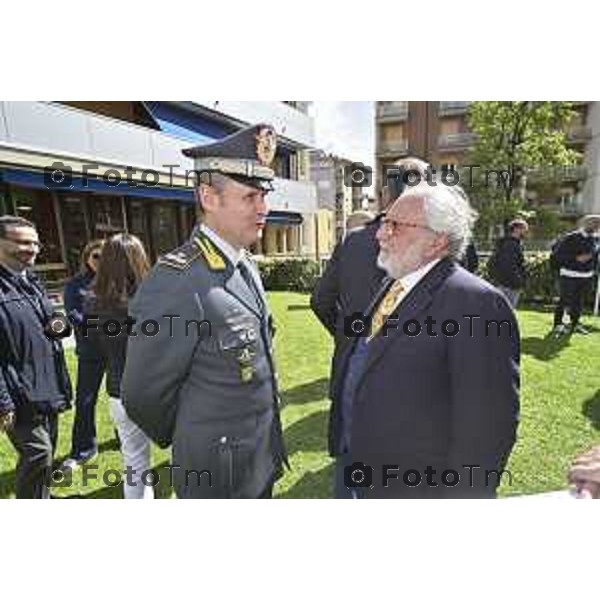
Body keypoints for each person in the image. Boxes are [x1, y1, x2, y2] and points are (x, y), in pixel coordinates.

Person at [122, 123, 287, 499]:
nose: (264, 208)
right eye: (250, 197)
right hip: (217, 474)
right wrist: (194, 433)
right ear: (209, 197)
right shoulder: (177, 279)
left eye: (264, 195)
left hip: (259, 457)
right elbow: (142, 393)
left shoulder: (245, 263)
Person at [330, 181, 520, 498]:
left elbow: (487, 430)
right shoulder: (394, 281)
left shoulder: (477, 304)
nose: (379, 233)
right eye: (383, 222)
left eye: (395, 225)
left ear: (437, 241)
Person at [310, 156, 429, 498]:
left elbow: (320, 300)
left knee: (351, 469)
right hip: (409, 389)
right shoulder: (439, 244)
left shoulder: (354, 241)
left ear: (383, 192)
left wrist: (349, 336)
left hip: (362, 379)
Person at [0, 215, 72, 498]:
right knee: (38, 453)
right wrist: (3, 402)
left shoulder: (31, 280)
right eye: (21, 242)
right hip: (18, 393)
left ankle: (42, 498)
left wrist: (59, 324)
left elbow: (54, 320)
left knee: (48, 450)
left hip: (46, 384)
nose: (30, 248)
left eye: (34, 243)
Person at [80, 233, 154, 499]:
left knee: (134, 461)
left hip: (120, 389)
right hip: (158, 389)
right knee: (188, 455)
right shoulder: (154, 297)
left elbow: (94, 344)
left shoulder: (91, 300)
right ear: (139, 258)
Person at [61, 240, 106, 470]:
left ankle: (126, 437)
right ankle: (83, 450)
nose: (101, 261)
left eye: (106, 256)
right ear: (87, 258)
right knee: (85, 401)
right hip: (91, 352)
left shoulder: (119, 282)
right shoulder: (75, 285)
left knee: (125, 398)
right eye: (96, 256)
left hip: (119, 351)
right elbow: (74, 316)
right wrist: (108, 326)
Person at [551, 214, 600, 336]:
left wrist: (593, 270)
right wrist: (576, 259)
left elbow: (595, 257)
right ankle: (558, 324)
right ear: (587, 224)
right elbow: (557, 256)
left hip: (586, 276)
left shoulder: (595, 239)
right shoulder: (571, 237)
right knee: (564, 300)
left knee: (579, 302)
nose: (598, 227)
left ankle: (574, 324)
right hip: (569, 275)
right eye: (596, 224)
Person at [488, 219, 529, 308]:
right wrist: (518, 282)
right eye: (524, 229)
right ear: (516, 229)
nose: (526, 232)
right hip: (509, 286)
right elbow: (508, 266)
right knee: (507, 313)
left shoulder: (507, 243)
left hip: (504, 283)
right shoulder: (511, 245)